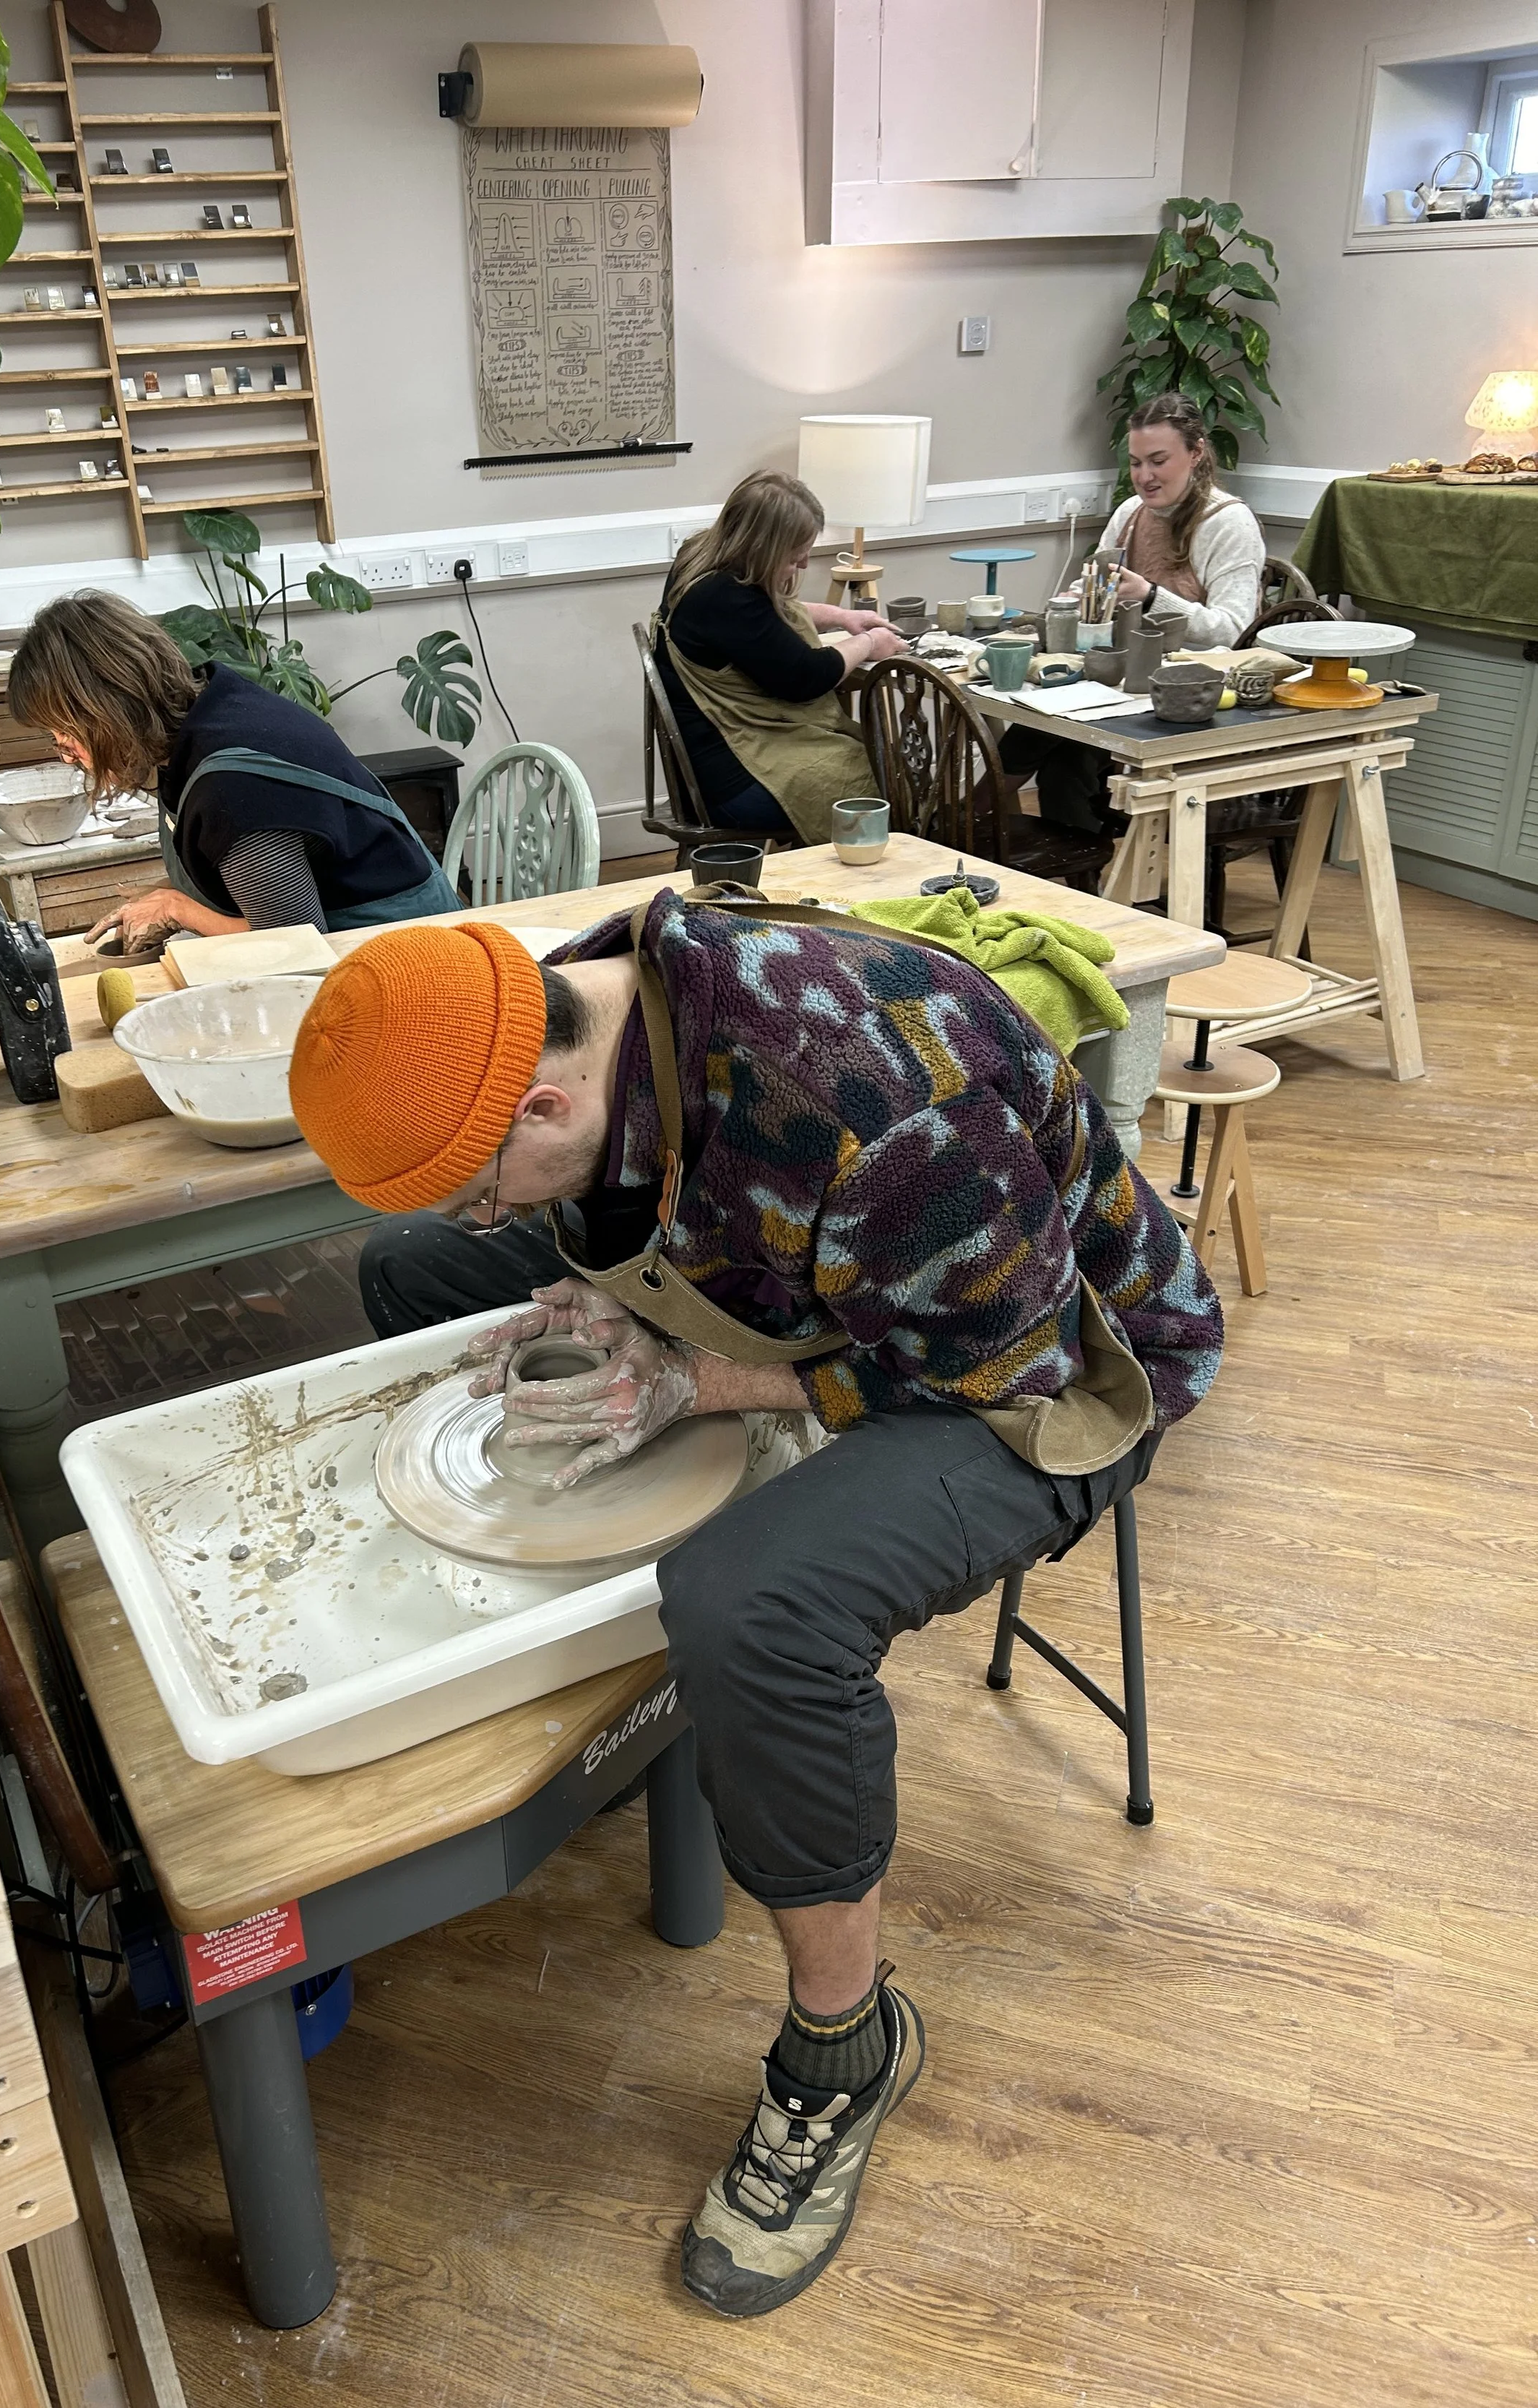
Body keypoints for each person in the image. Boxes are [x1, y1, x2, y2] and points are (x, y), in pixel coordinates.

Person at [289, 895, 1224, 2319]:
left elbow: (1009, 1370)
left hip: (1059, 1365)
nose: (490, 1210)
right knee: (409, 1276)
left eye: (487, 1182)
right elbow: (655, 1192)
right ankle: (655, 1716)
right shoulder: (597, 994)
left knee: (747, 1605)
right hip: (844, 1270)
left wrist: (696, 1378)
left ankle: (844, 2046)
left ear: (543, 1094)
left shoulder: (880, 1107)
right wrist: (597, 1290)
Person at [4, 591, 459, 951]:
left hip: (411, 953)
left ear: (110, 709)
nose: (66, 752)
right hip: (381, 939)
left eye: (66, 731)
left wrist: (177, 908)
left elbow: (297, 943)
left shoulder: (231, 786)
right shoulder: (209, 707)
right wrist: (162, 895)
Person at [1000, 390, 1267, 833]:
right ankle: (1041, 858)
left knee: (1060, 747)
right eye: (1136, 463)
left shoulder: (1228, 524)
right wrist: (1078, 600)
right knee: (1050, 728)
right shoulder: (1130, 512)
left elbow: (1232, 632)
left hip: (1188, 700)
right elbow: (1096, 590)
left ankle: (965, 819)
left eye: (1158, 461)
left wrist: (1149, 595)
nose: (1145, 476)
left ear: (1196, 452)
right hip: (1123, 686)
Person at [654, 470, 907, 842]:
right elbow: (806, 677)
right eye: (794, 556)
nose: (803, 565)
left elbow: (766, 619)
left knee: (873, 759)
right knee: (888, 775)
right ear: (761, 547)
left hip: (709, 762)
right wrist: (871, 643)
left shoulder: (701, 558)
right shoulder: (723, 596)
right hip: (732, 784)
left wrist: (840, 616)